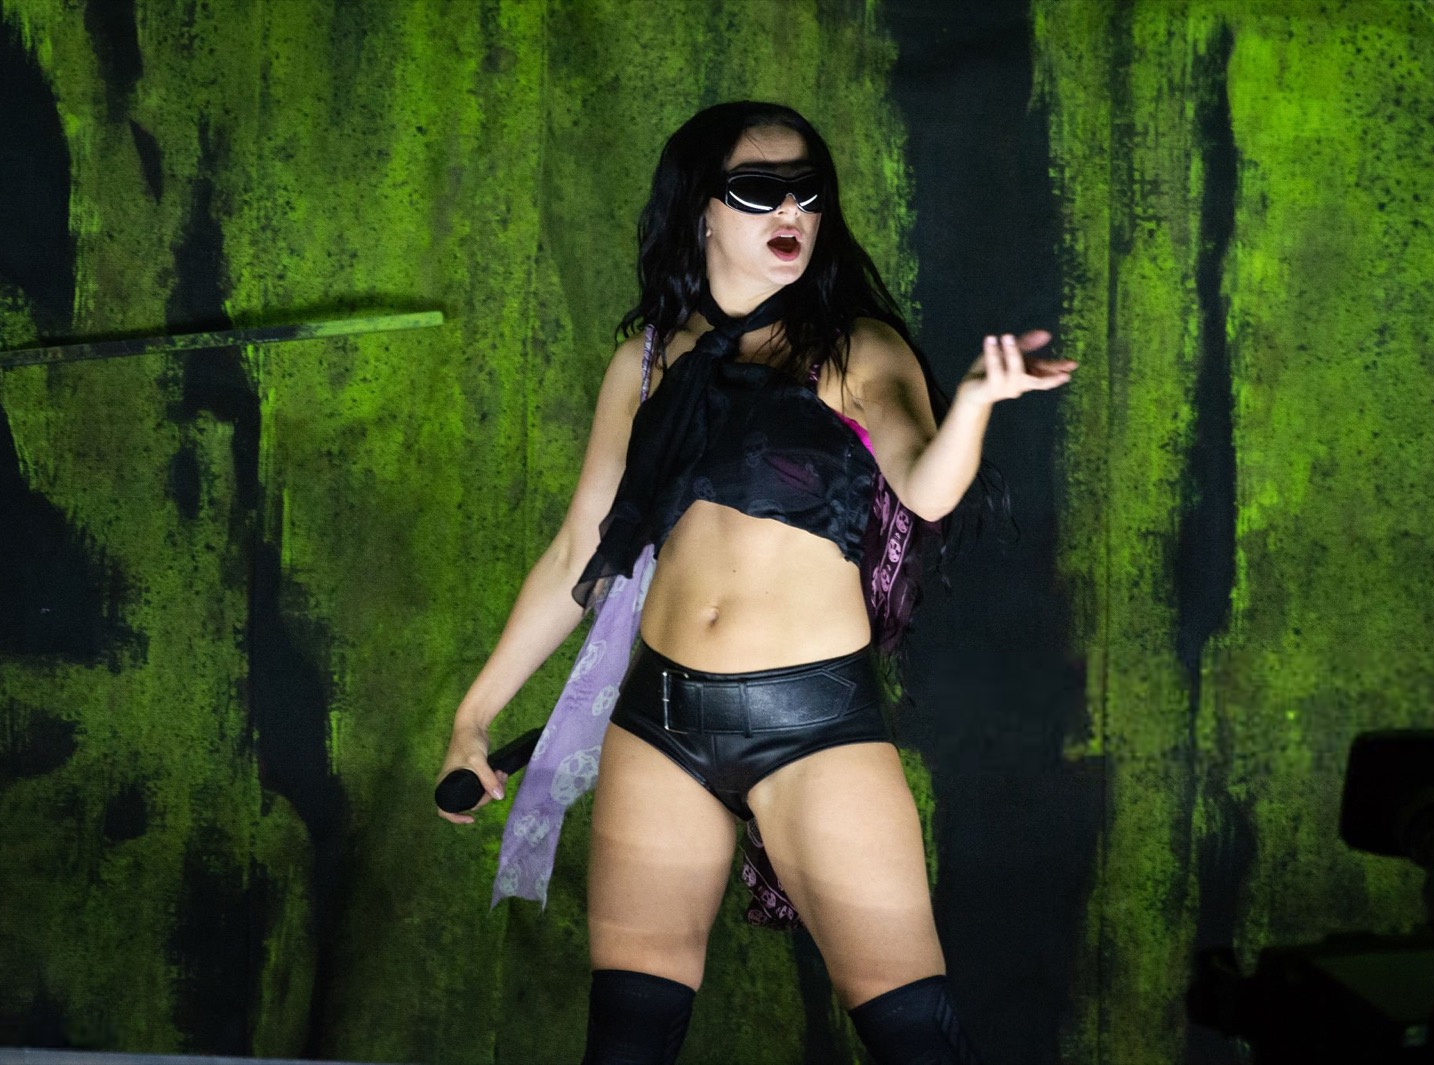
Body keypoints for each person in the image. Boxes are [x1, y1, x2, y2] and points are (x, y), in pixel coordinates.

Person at [435, 101, 1074, 1065]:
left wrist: (977, 403)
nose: (791, 211)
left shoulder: (855, 348)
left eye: (807, 191)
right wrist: (472, 718)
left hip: (814, 724)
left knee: (913, 1033)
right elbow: (576, 555)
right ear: (701, 207)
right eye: (758, 189)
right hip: (660, 722)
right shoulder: (648, 361)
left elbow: (925, 485)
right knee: (627, 1036)